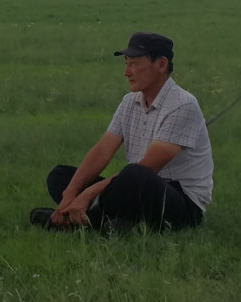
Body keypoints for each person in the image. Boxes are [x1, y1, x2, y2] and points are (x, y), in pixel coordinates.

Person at [32, 32, 213, 233]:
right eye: (126, 63)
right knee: (60, 177)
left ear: (161, 64)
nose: (127, 72)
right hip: (133, 189)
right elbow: (102, 151)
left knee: (135, 174)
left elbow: (149, 168)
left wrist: (87, 195)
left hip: (179, 201)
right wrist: (70, 194)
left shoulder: (182, 105)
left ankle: (80, 222)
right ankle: (113, 222)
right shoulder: (130, 101)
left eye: (134, 64)